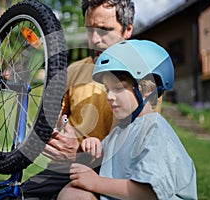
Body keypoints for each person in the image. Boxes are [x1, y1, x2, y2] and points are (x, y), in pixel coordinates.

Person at [20, 0, 135, 199]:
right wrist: (65, 127)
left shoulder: (141, 76)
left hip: (108, 173)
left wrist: (80, 152)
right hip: (60, 169)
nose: (95, 39)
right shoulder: (73, 71)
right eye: (90, 30)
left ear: (127, 30)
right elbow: (58, 119)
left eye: (105, 30)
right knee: (15, 195)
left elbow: (132, 145)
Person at [57, 40, 198, 200]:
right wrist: (90, 149)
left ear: (147, 89)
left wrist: (95, 182)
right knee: (73, 191)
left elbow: (146, 193)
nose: (109, 96)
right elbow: (98, 161)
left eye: (118, 88)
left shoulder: (154, 130)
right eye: (107, 89)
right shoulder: (120, 132)